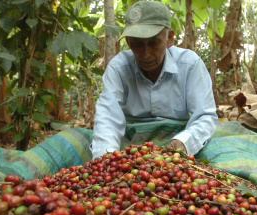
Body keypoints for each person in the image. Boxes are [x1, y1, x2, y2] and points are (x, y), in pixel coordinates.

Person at [90, 1, 218, 159]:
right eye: (137, 44)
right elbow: (107, 118)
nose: (146, 54)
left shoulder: (190, 64)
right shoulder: (118, 68)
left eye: (154, 43)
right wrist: (105, 161)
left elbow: (205, 115)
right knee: (75, 138)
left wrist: (184, 142)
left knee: (220, 147)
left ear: (169, 38)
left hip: (179, 139)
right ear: (128, 42)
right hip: (131, 142)